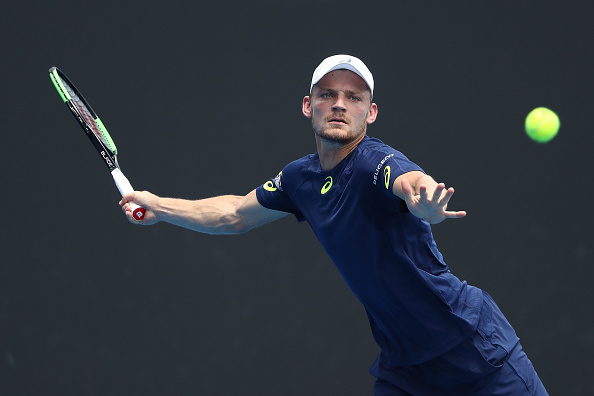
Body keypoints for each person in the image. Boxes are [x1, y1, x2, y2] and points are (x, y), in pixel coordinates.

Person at [120, 55, 548, 395]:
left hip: (475, 350)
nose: (340, 104)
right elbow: (233, 214)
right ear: (308, 106)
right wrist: (160, 206)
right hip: (405, 371)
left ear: (371, 112)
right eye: (327, 94)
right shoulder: (299, 178)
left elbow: (407, 180)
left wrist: (424, 202)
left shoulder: (374, 162)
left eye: (354, 97)